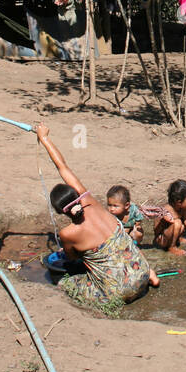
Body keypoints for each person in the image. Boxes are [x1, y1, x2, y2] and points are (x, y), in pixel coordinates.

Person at [35, 124, 158, 311]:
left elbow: (71, 258)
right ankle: (150, 275)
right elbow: (62, 167)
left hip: (119, 291)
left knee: (63, 282)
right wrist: (44, 138)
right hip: (141, 271)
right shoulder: (90, 201)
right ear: (78, 196)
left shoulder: (68, 233)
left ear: (61, 212)